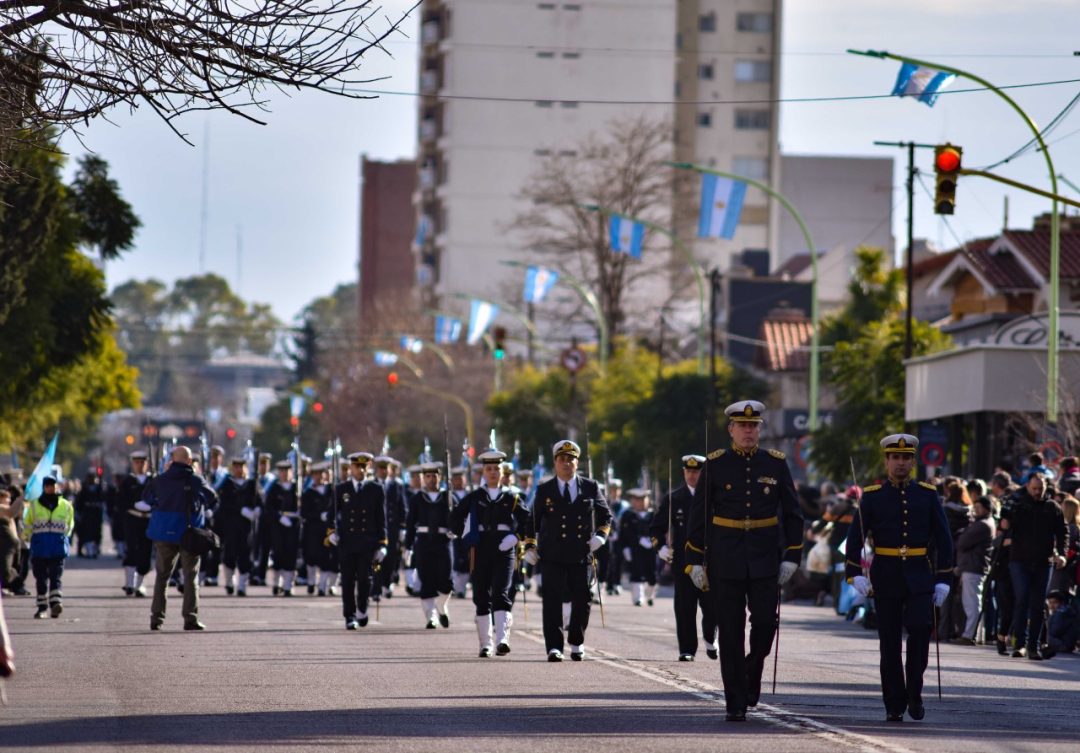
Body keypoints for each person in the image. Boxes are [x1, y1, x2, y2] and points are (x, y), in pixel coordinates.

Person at [684, 401, 803, 721]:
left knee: (765, 623)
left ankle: (752, 668)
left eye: (754, 426)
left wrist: (792, 555)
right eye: (742, 425)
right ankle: (735, 700)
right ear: (731, 430)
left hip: (765, 557)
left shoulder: (775, 464)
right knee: (731, 630)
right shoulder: (715, 464)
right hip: (725, 557)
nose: (749, 431)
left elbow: (793, 513)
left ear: (760, 429)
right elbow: (700, 516)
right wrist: (694, 559)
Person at [846, 434, 953, 722]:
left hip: (919, 574)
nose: (901, 463)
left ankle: (914, 692)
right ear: (887, 461)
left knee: (919, 632)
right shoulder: (873, 496)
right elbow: (854, 538)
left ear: (913, 461)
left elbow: (944, 539)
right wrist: (854, 574)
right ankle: (894, 702)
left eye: (906, 458)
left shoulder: (927, 494)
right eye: (896, 458)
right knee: (889, 642)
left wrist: (944, 579)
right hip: (886, 574)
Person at [523, 440, 612, 662]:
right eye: (562, 459)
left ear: (577, 462)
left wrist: (600, 536)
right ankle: (554, 646)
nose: (566, 463)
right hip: (553, 554)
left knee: (583, 599)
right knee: (551, 601)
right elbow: (532, 520)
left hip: (581, 553)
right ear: (555, 463)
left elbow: (605, 516)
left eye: (571, 459)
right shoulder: (545, 489)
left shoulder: (590, 487)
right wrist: (530, 546)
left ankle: (576, 641)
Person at [449, 449, 530, 657]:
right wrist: (464, 534)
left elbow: (528, 520)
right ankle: (485, 643)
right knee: (481, 595)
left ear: (503, 472)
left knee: (501, 593)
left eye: (497, 469)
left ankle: (503, 639)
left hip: (504, 549)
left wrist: (516, 537)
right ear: (483, 472)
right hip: (480, 549)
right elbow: (454, 518)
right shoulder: (475, 497)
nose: (493, 472)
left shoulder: (511, 498)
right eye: (489, 469)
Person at [651, 454, 718, 662]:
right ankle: (687, 649)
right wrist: (660, 548)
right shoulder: (675, 498)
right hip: (683, 562)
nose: (692, 475)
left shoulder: (714, 497)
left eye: (696, 471)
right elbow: (656, 527)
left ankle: (710, 638)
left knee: (713, 606)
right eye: (688, 471)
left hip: (710, 560)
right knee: (684, 607)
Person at [145, 445, 217, 631]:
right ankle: (190, 618)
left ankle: (157, 619)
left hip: (164, 532)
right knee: (190, 576)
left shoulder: (160, 479)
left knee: (162, 577)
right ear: (188, 460)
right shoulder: (193, 478)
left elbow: (147, 499)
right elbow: (212, 497)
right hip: (189, 533)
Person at [1001, 471, 1067, 659]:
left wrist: (1061, 554)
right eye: (1034, 488)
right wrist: (1006, 518)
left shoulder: (1052, 507)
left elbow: (1062, 533)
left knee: (1038, 604)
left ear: (1046, 487)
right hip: (1019, 560)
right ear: (1028, 487)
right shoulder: (1020, 505)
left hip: (1043, 562)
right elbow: (1005, 524)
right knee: (1022, 599)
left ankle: (1033, 645)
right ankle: (1019, 644)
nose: (1037, 492)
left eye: (1041, 488)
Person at [331, 452, 387, 629]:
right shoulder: (341, 489)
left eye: (364, 466)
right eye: (357, 466)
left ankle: (362, 608)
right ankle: (350, 615)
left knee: (365, 579)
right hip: (347, 542)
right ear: (351, 468)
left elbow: (381, 518)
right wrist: (331, 532)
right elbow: (331, 513)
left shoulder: (376, 489)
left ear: (368, 467)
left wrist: (382, 543)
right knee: (347, 580)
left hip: (367, 543)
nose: (361, 470)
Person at [405, 462, 454, 628]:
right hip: (424, 542)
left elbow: (458, 517)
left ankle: (441, 605)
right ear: (423, 479)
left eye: (434, 476)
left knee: (446, 581)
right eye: (428, 476)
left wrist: (455, 530)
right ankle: (431, 616)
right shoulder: (417, 499)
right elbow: (411, 523)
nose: (431, 479)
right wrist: (408, 547)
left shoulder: (448, 496)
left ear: (440, 477)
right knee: (426, 580)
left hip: (443, 541)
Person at [23, 477, 76, 618]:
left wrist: (64, 538)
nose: (50, 488)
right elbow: (27, 524)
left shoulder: (66, 505)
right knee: (40, 579)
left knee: (55, 577)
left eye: (52, 485)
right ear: (43, 487)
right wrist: (27, 539)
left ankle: (55, 604)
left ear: (57, 487)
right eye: (47, 486)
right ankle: (42, 608)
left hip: (57, 548)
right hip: (40, 548)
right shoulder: (34, 505)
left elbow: (70, 525)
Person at [952, 495, 995, 644]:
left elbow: (962, 542)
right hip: (973, 565)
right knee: (973, 602)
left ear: (987, 509)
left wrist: (963, 532)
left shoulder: (982, 525)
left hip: (973, 566)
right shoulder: (984, 523)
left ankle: (969, 634)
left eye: (978, 508)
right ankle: (976, 634)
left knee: (971, 603)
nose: (975, 511)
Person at [217, 457, 256, 596]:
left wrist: (256, 510)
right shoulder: (227, 484)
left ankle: (242, 585)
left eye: (242, 466)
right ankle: (229, 581)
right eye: (236, 467)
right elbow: (223, 504)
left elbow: (258, 501)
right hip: (231, 524)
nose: (239, 469)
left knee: (245, 554)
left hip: (246, 526)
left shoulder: (252, 484)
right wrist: (240, 509)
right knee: (230, 554)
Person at [118, 451, 153, 597]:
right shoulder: (128, 481)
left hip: (149, 520)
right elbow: (120, 502)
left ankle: (140, 585)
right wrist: (134, 505)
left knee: (146, 552)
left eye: (143, 462)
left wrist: (151, 506)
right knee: (132, 549)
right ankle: (129, 584)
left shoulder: (153, 480)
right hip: (132, 519)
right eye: (137, 462)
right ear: (133, 464)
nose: (140, 465)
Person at [264, 459, 302, 596]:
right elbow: (269, 508)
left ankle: (288, 585)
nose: (285, 474)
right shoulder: (275, 488)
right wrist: (279, 517)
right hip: (278, 525)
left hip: (293, 525)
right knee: (278, 553)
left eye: (287, 471)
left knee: (290, 554)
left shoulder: (296, 487)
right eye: (282, 471)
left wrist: (299, 513)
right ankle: (276, 583)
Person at [375, 456, 408, 599]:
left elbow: (402, 506)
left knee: (391, 557)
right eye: (380, 468)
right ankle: (375, 587)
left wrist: (402, 527)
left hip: (392, 528)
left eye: (385, 468)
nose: (383, 471)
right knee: (376, 556)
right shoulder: (372, 485)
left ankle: (387, 584)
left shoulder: (396, 486)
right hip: (376, 529)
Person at [620, 488, 657, 607]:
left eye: (642, 499)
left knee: (651, 573)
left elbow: (659, 531)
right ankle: (638, 598)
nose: (639, 503)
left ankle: (650, 595)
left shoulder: (653, 514)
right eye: (635, 500)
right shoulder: (628, 515)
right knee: (636, 572)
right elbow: (624, 533)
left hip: (651, 548)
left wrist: (655, 542)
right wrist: (625, 548)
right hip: (635, 548)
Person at [74, 471, 107, 559]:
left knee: (97, 533)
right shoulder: (84, 489)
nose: (91, 479)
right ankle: (87, 550)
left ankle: (95, 549)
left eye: (93, 477)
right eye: (90, 478)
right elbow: (79, 503)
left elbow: (103, 500)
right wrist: (79, 513)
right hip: (87, 515)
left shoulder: (99, 489)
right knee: (86, 533)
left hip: (96, 515)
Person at [0, 487, 24, 592]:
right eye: (7, 498)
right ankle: (15, 584)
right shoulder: (1, 508)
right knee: (6, 568)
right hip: (7, 544)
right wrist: (20, 499)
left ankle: (15, 585)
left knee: (12, 566)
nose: (9, 501)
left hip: (12, 543)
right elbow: (11, 512)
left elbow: (18, 514)